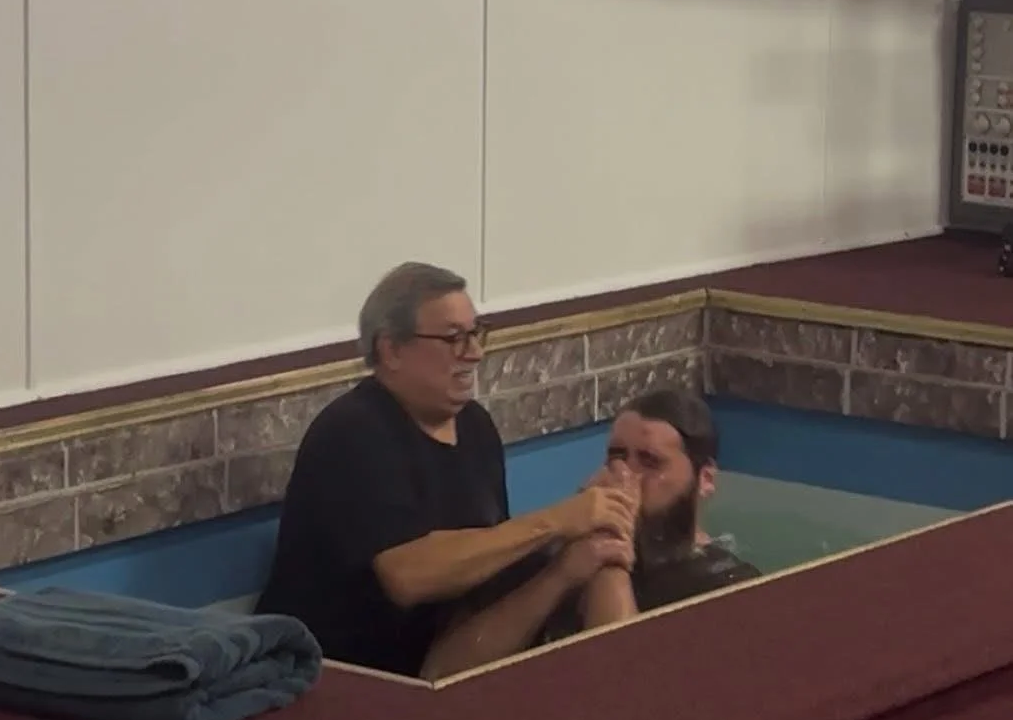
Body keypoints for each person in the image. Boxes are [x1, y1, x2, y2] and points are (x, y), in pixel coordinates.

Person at [256, 262, 639, 680]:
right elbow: (410, 576)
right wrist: (559, 521)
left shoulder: (475, 427)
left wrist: (583, 541)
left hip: (440, 664)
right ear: (391, 350)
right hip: (337, 679)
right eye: (453, 338)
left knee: (599, 563)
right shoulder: (353, 432)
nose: (474, 352)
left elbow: (488, 562)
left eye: (476, 334)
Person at [578, 389, 762, 626]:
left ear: (705, 479)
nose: (625, 474)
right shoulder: (571, 559)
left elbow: (619, 661)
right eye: (617, 457)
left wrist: (610, 539)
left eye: (650, 461)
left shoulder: (729, 589)